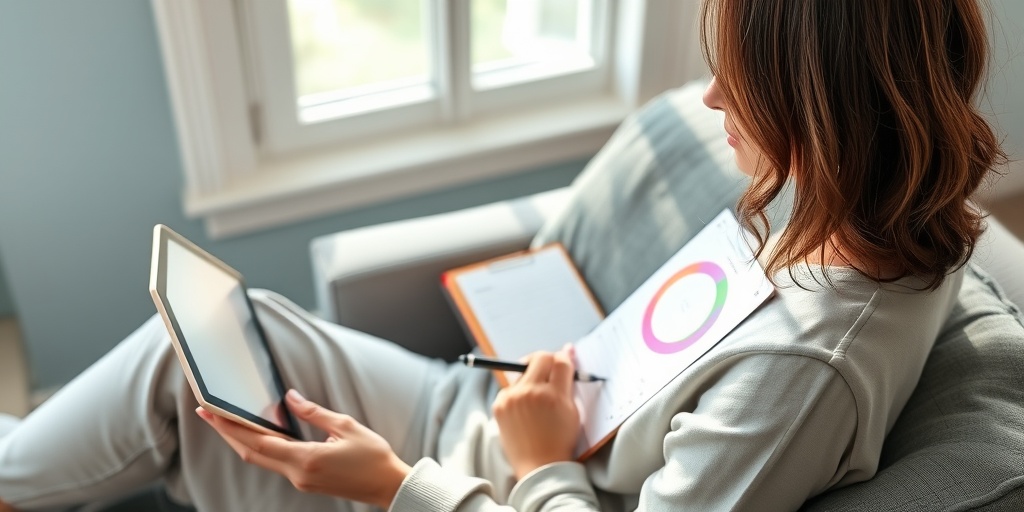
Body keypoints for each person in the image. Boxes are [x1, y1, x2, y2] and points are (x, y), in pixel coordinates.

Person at [0, 0, 1006, 510]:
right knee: (238, 333)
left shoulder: (809, 365)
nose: (709, 103)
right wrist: (566, 384)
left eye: (738, 84)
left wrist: (400, 482)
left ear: (824, 111)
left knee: (194, 383)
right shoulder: (849, 212)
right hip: (488, 421)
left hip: (461, 478)